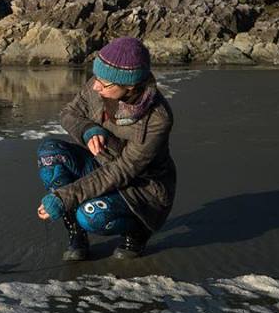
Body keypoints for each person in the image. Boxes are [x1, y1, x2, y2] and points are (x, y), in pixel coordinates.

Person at [36, 36, 176, 260]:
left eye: (104, 84)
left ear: (130, 85)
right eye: (96, 77)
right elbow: (68, 113)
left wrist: (64, 198)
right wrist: (89, 129)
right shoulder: (101, 82)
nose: (95, 85)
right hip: (100, 163)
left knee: (90, 216)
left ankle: (138, 231)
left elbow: (122, 171)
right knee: (49, 154)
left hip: (140, 189)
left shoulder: (157, 119)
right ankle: (77, 235)